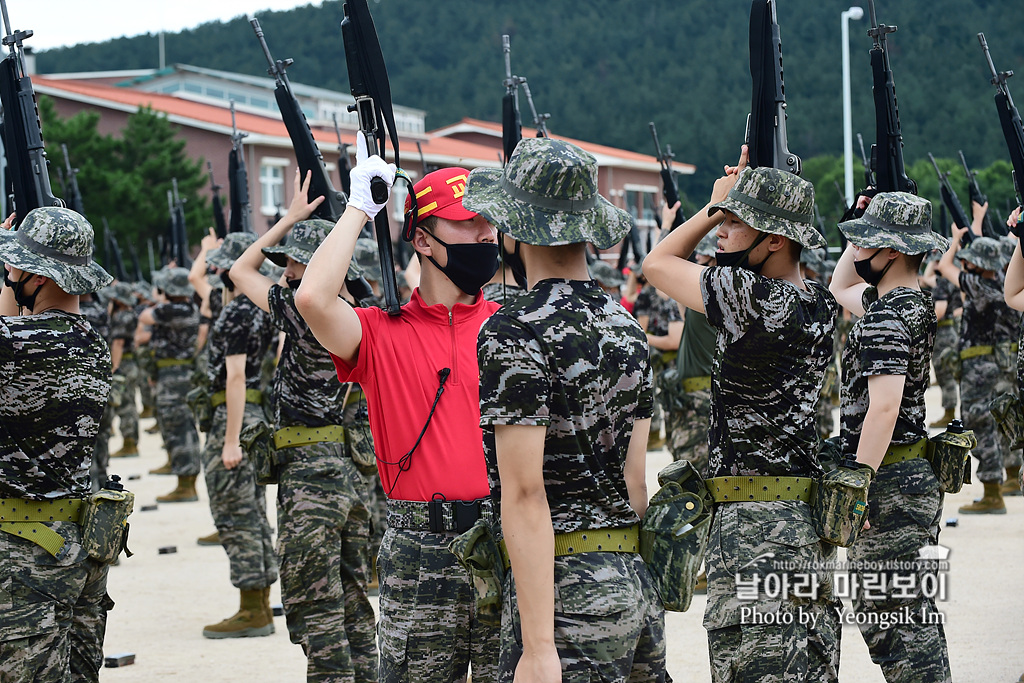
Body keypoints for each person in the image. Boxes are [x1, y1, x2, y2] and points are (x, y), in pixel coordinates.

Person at [296, 144, 501, 683]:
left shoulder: (511, 327)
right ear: (423, 239)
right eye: (469, 223)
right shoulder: (381, 332)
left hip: (507, 536)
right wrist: (360, 208)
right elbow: (314, 299)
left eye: (490, 224)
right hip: (421, 549)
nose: (486, 236)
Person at [465, 136, 667, 682]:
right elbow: (634, 481)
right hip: (630, 583)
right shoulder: (627, 328)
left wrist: (537, 648)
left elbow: (526, 493)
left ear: (513, 231)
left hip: (563, 594)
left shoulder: (514, 329)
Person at [643, 147, 842, 682]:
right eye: (725, 221)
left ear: (774, 239)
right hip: (805, 522)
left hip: (754, 526)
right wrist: (771, 190)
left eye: (736, 223)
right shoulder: (819, 303)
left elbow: (656, 263)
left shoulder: (748, 295)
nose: (723, 231)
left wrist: (709, 206)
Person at [230, 169, 377, 681]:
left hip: (309, 476)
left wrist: (287, 218)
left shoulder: (305, 310)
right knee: (355, 598)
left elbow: (239, 271)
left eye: (294, 263)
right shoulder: (360, 313)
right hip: (348, 470)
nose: (287, 272)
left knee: (315, 603)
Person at [830, 192, 952, 682]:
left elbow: (883, 406)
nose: (857, 250)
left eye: (866, 243)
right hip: (907, 476)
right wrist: (863, 223)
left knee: (897, 623)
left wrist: (857, 488)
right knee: (910, 616)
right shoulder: (912, 304)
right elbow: (841, 287)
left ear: (894, 252)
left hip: (888, 482)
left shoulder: (883, 316)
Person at [0, 206, 115, 681]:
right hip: (79, 544)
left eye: (14, 265)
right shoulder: (94, 343)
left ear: (38, 276)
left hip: (26, 554)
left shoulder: (16, 343)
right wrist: (14, 276)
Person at [193, 231, 279, 639]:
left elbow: (237, 376)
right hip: (253, 415)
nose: (215, 270)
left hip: (236, 416)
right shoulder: (260, 306)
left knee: (235, 511)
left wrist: (229, 441)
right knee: (253, 510)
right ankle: (259, 600)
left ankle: (252, 608)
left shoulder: (237, 312)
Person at [936, 213, 1017, 514]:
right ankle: (997, 485)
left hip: (980, 368)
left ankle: (993, 492)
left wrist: (956, 240)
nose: (965, 263)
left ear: (980, 265)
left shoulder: (981, 287)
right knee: (990, 424)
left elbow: (944, 267)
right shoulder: (998, 284)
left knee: (978, 423)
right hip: (990, 365)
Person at [138, 267, 201, 500]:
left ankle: (186, 484)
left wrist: (157, 296)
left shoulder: (172, 309)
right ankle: (183, 475)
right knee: (180, 425)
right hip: (179, 373)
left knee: (178, 426)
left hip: (174, 376)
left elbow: (144, 316)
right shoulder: (189, 307)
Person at [108, 282, 141, 458]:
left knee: (125, 405)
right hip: (131, 363)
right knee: (130, 403)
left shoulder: (122, 317)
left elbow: (118, 343)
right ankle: (131, 441)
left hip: (124, 364)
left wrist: (114, 366)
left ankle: (130, 443)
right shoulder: (131, 314)